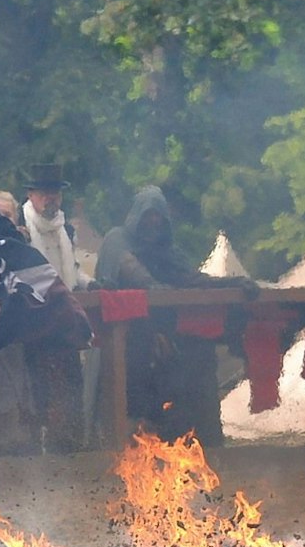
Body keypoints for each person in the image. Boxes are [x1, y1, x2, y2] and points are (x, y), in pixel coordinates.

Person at [95, 186, 239, 444]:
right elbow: (127, 264)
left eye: (157, 217)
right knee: (126, 415)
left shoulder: (166, 250)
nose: (153, 222)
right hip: (124, 349)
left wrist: (231, 283)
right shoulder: (117, 238)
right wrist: (150, 285)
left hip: (161, 348)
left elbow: (191, 278)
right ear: (136, 216)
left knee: (185, 394)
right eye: (148, 216)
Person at [18, 163, 88, 451]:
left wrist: (90, 283)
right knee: (38, 400)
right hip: (35, 328)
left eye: (56, 193)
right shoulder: (20, 231)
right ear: (32, 195)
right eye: (45, 193)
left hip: (64, 327)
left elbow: (70, 271)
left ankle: (70, 455)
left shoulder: (65, 229)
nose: (51, 199)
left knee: (70, 396)